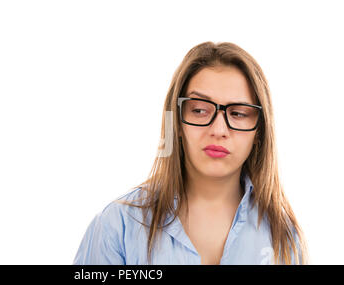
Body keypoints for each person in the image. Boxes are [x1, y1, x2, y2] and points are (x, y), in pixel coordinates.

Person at [73, 41, 309, 265]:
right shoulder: (117, 227)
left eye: (237, 113)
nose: (218, 130)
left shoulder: (284, 236)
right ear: (175, 121)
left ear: (259, 131)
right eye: (199, 110)